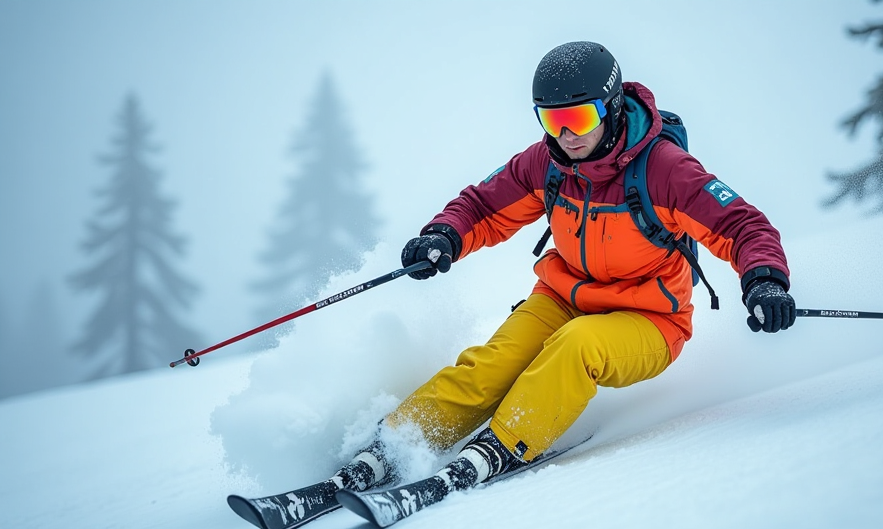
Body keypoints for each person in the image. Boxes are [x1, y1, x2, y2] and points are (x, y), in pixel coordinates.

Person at [331, 41, 796, 494]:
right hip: (563, 296)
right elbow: (483, 205)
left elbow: (742, 225)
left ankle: (498, 447)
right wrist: (444, 235)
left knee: (577, 346)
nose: (566, 135)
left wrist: (765, 280)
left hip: (651, 318)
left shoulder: (665, 170)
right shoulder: (549, 162)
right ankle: (392, 445)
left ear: (612, 109)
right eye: (552, 120)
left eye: (579, 117)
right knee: (493, 365)